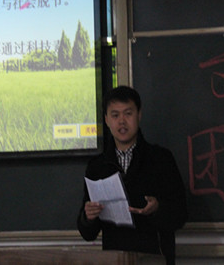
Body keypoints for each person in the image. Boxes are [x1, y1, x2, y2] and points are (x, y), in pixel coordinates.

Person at [77, 85, 187, 265]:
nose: (122, 121)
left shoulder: (160, 159)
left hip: (154, 258)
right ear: (106, 119)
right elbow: (87, 234)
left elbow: (181, 214)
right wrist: (88, 217)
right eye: (115, 115)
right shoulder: (97, 167)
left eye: (128, 114)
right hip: (115, 259)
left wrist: (157, 208)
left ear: (139, 115)